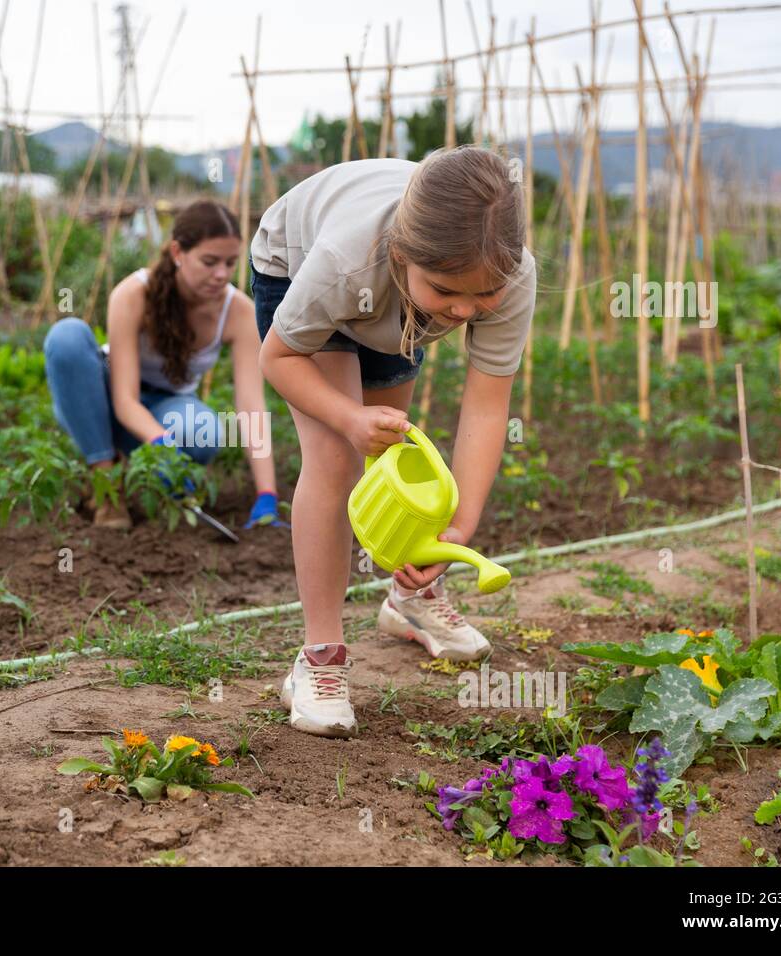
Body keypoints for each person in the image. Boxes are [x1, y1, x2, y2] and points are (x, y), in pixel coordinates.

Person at [252, 146, 537, 738]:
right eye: (447, 293)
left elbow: (487, 407)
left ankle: (412, 595)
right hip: (299, 267)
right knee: (338, 456)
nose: (464, 312)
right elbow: (277, 359)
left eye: (484, 296)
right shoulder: (343, 260)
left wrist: (456, 531)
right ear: (405, 257)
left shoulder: (505, 273)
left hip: (389, 296)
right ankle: (320, 660)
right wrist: (347, 418)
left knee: (399, 462)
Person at [44, 200, 285, 531]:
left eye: (230, 263)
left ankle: (148, 479)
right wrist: (162, 445)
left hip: (166, 408)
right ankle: (106, 483)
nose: (221, 275)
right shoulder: (132, 294)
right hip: (98, 404)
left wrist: (267, 494)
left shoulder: (239, 311)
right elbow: (125, 400)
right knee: (66, 336)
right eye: (209, 261)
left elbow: (251, 407)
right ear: (177, 252)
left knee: (205, 432)